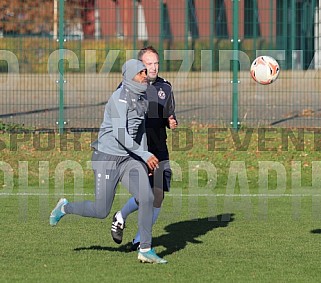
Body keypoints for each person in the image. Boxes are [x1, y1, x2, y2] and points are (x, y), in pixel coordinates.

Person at [49, 59, 167, 264]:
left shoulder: (142, 98)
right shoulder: (119, 98)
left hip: (129, 158)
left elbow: (140, 133)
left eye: (145, 72)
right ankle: (64, 208)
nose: (145, 75)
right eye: (141, 73)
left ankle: (145, 249)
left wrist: (145, 157)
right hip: (106, 158)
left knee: (147, 197)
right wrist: (145, 155)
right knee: (101, 210)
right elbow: (121, 134)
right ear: (130, 77)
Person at [111, 46, 177, 251]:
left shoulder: (165, 87)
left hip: (159, 148)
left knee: (158, 195)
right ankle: (121, 216)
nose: (154, 67)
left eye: (156, 63)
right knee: (144, 195)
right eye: (149, 64)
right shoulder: (128, 86)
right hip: (139, 149)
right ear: (141, 66)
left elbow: (169, 114)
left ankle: (139, 239)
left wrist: (171, 121)